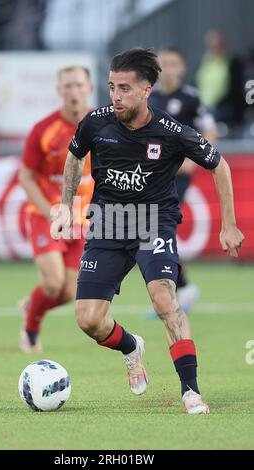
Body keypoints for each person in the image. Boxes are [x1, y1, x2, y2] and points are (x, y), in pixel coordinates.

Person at [50, 48, 244, 414]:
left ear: (145, 90)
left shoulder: (171, 132)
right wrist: (65, 203)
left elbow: (219, 165)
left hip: (154, 221)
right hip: (107, 222)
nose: (116, 96)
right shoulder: (95, 123)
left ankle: (191, 391)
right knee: (88, 319)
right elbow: (75, 156)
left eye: (124, 88)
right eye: (111, 87)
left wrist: (229, 225)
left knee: (164, 298)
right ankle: (130, 347)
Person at [19, 65, 94, 352]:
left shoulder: (102, 124)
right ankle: (31, 328)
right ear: (58, 91)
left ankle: (32, 304)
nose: (73, 92)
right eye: (67, 86)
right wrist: (49, 208)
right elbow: (26, 176)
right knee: (53, 283)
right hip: (46, 216)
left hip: (83, 218)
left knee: (68, 292)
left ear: (89, 88)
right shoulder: (44, 130)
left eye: (78, 85)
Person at [147, 46, 217, 316]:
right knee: (152, 234)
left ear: (182, 68)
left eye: (173, 63)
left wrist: (194, 159)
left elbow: (209, 129)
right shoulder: (148, 97)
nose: (168, 69)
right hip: (150, 176)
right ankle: (178, 289)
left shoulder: (190, 98)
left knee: (158, 231)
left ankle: (175, 292)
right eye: (163, 64)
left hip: (175, 177)